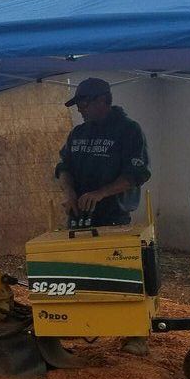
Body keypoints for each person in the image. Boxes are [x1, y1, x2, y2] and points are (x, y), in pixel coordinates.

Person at [55, 77, 152, 355]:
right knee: (81, 272)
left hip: (114, 217)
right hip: (80, 217)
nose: (80, 110)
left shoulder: (129, 131)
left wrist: (101, 193)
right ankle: (85, 325)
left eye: (83, 103)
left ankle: (135, 335)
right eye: (78, 105)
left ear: (102, 101)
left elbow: (136, 174)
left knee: (123, 275)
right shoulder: (78, 133)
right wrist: (70, 193)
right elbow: (63, 167)